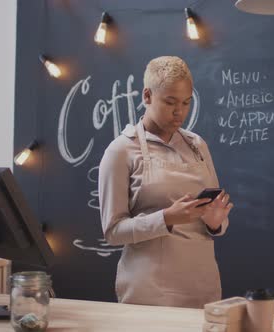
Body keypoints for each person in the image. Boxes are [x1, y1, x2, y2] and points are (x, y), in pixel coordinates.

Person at [98, 56, 233, 309]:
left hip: (203, 286)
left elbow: (217, 220)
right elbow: (113, 232)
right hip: (151, 291)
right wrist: (166, 218)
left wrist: (216, 223)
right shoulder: (120, 151)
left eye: (185, 102)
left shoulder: (198, 145)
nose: (179, 112)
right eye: (170, 102)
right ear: (147, 96)